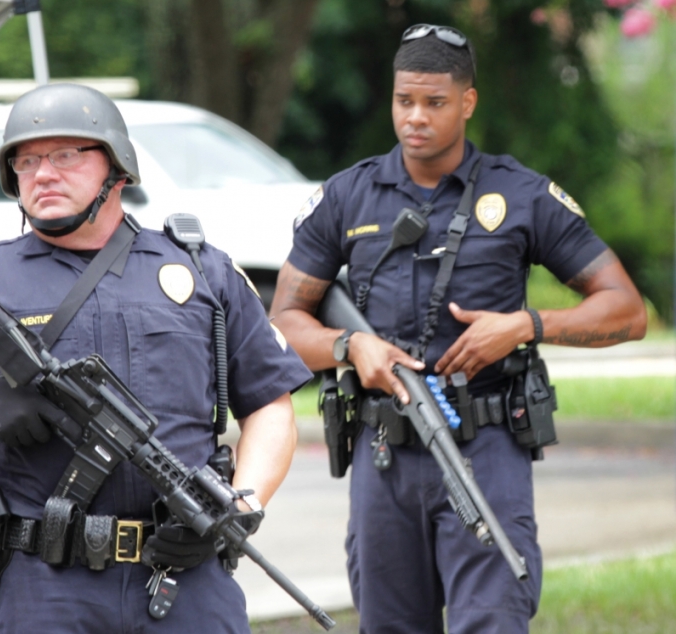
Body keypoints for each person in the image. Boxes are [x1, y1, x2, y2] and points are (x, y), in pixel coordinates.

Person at [0, 83, 312, 634]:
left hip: (185, 576)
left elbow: (271, 407)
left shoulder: (203, 271)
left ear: (118, 167)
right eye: (27, 160)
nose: (43, 173)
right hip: (44, 583)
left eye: (66, 155)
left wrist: (239, 503)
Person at [270, 24, 647, 634]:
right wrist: (349, 345)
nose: (415, 117)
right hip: (384, 454)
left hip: (486, 447)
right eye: (404, 101)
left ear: (467, 102)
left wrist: (526, 324)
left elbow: (627, 311)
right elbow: (283, 323)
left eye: (434, 102)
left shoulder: (520, 195)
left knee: (493, 619)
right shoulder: (347, 197)